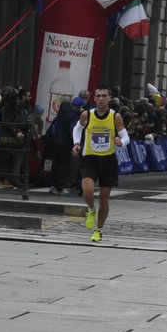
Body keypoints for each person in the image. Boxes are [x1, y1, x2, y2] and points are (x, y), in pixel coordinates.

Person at [73, 86, 130, 244]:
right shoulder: (87, 115)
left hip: (108, 159)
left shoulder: (115, 117)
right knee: (88, 190)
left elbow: (125, 136)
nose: (101, 99)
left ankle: (98, 230)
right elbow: (77, 129)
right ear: (94, 98)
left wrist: (121, 142)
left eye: (104, 96)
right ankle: (91, 209)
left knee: (104, 199)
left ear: (109, 98)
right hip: (90, 158)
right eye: (98, 96)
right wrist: (76, 143)